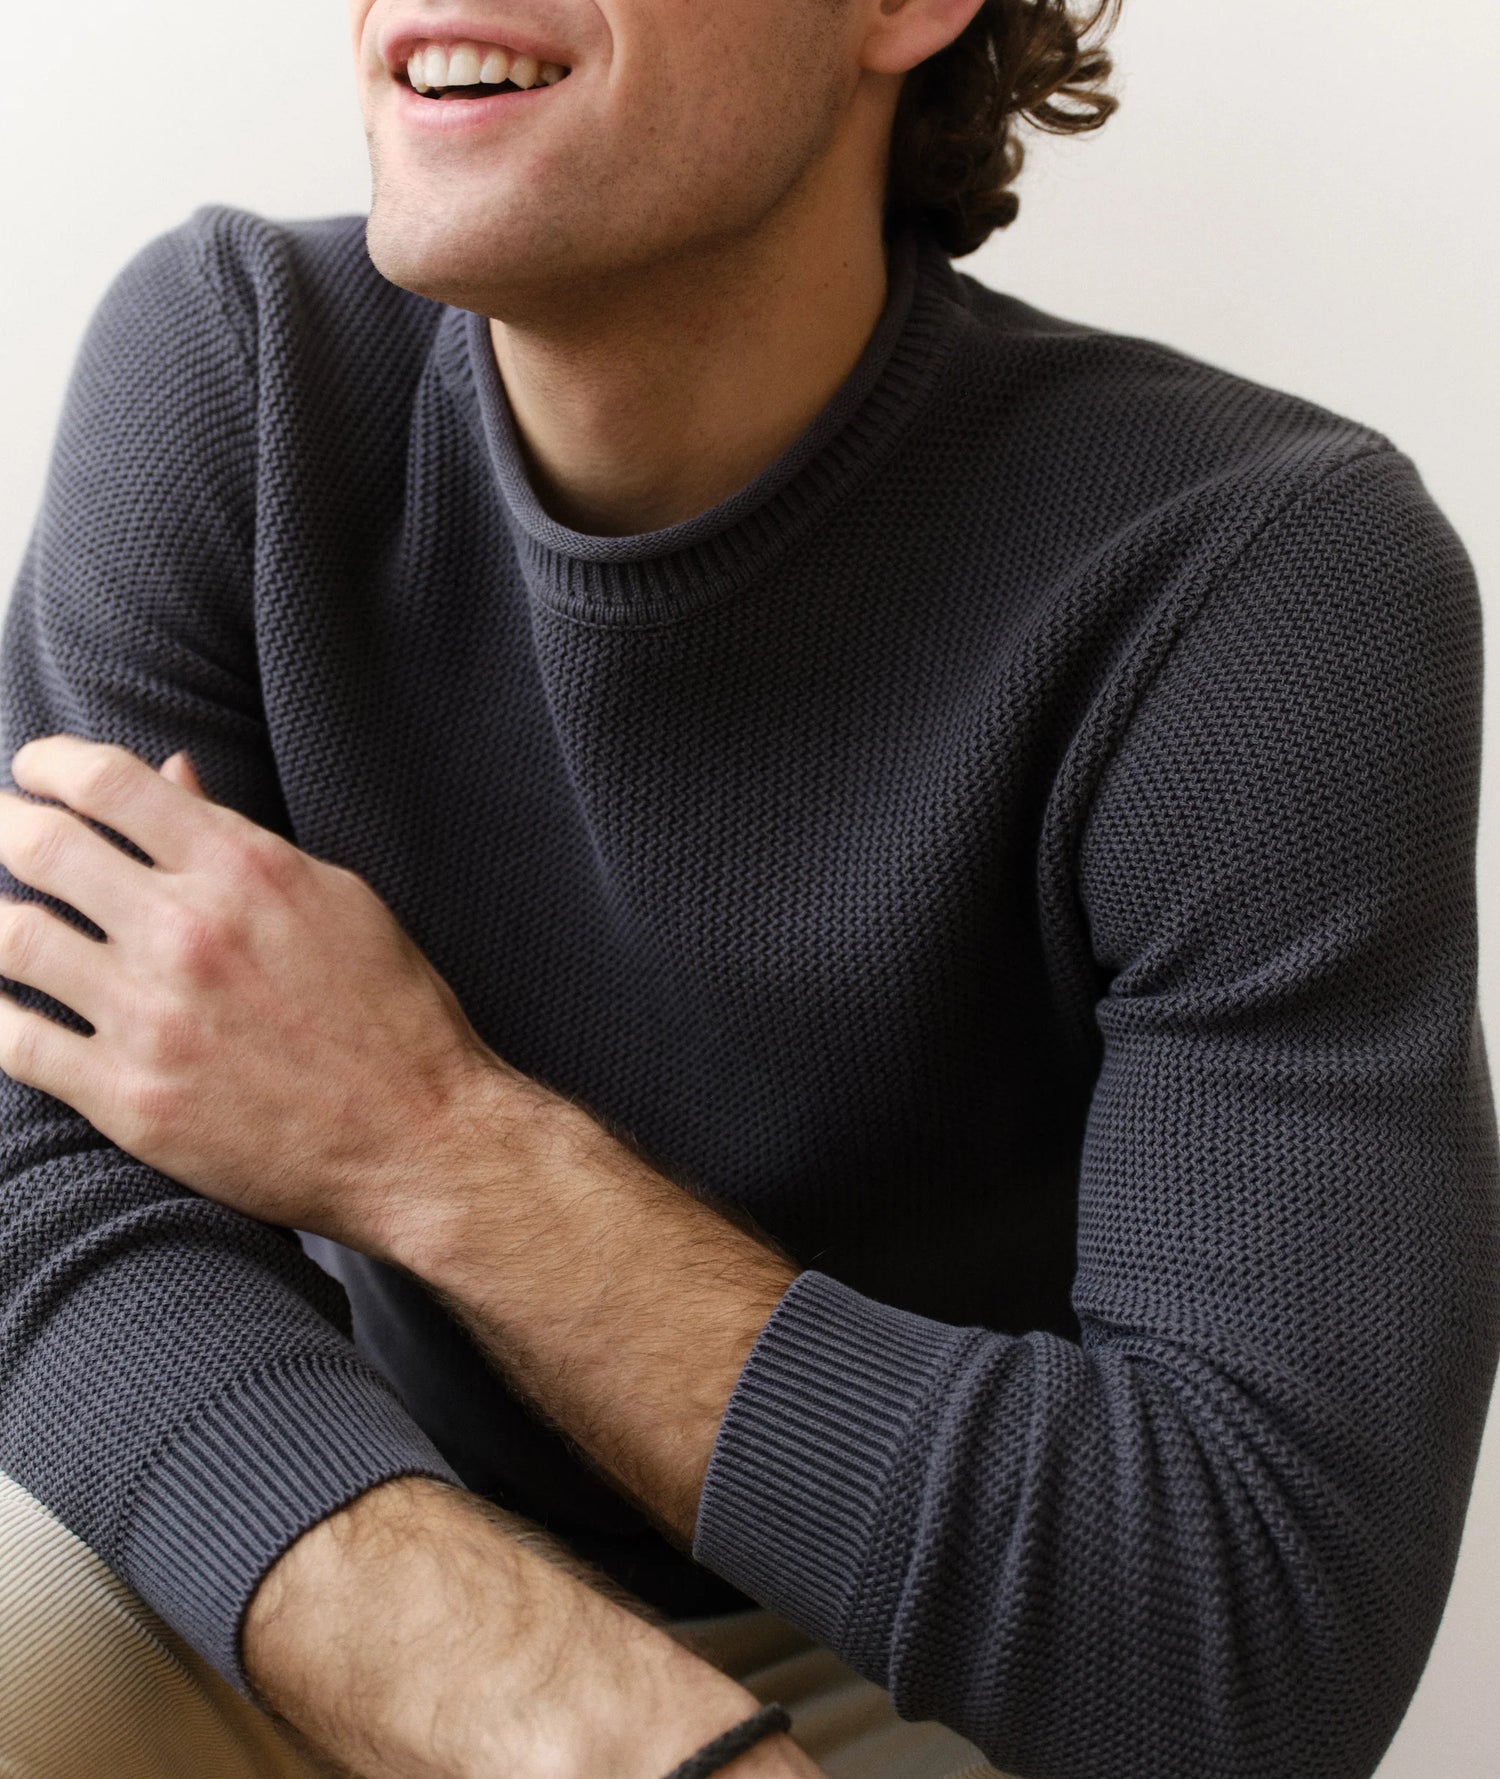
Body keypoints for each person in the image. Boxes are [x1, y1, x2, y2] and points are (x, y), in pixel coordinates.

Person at [0, 0, 1495, 1775]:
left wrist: (428, 1134)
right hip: (371, 1528)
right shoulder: (236, 367)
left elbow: (1251, 1641)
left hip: (941, 1647)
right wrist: (556, 1705)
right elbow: (49, 1184)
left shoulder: (1259, 580)